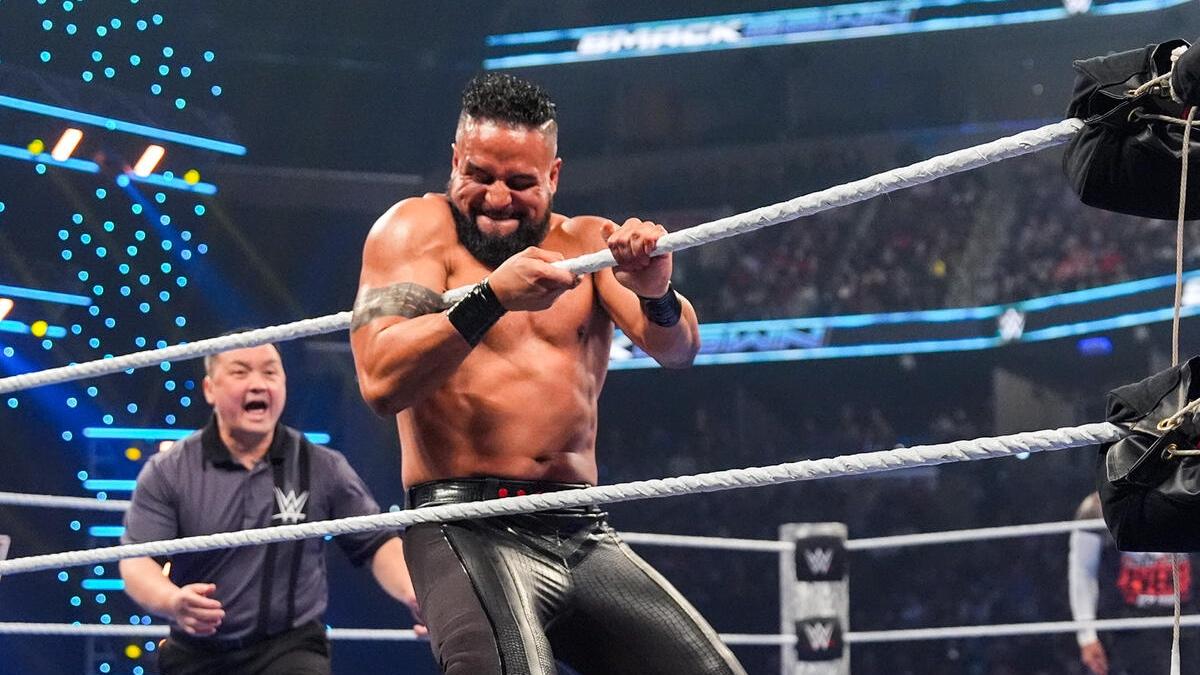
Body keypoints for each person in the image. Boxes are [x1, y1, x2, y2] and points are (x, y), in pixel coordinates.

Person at [349, 73, 745, 674]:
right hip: (463, 523)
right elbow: (381, 379)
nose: (498, 199)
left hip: (580, 525)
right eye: (479, 175)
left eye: (520, 182)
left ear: (554, 177)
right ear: (454, 161)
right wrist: (490, 298)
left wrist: (658, 291)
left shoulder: (587, 242)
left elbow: (678, 350)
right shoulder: (414, 229)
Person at [119, 341, 424, 675]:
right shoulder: (170, 469)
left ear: (283, 386)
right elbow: (138, 561)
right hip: (196, 649)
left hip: (289, 648)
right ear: (210, 388)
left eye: (270, 372)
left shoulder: (320, 465)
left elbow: (376, 542)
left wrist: (418, 594)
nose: (258, 383)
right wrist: (172, 601)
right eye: (240, 371)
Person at [1069, 491, 1198, 674]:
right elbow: (1082, 573)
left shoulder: (1188, 492)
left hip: (1186, 614)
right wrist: (1086, 636)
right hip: (1133, 620)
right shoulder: (1097, 507)